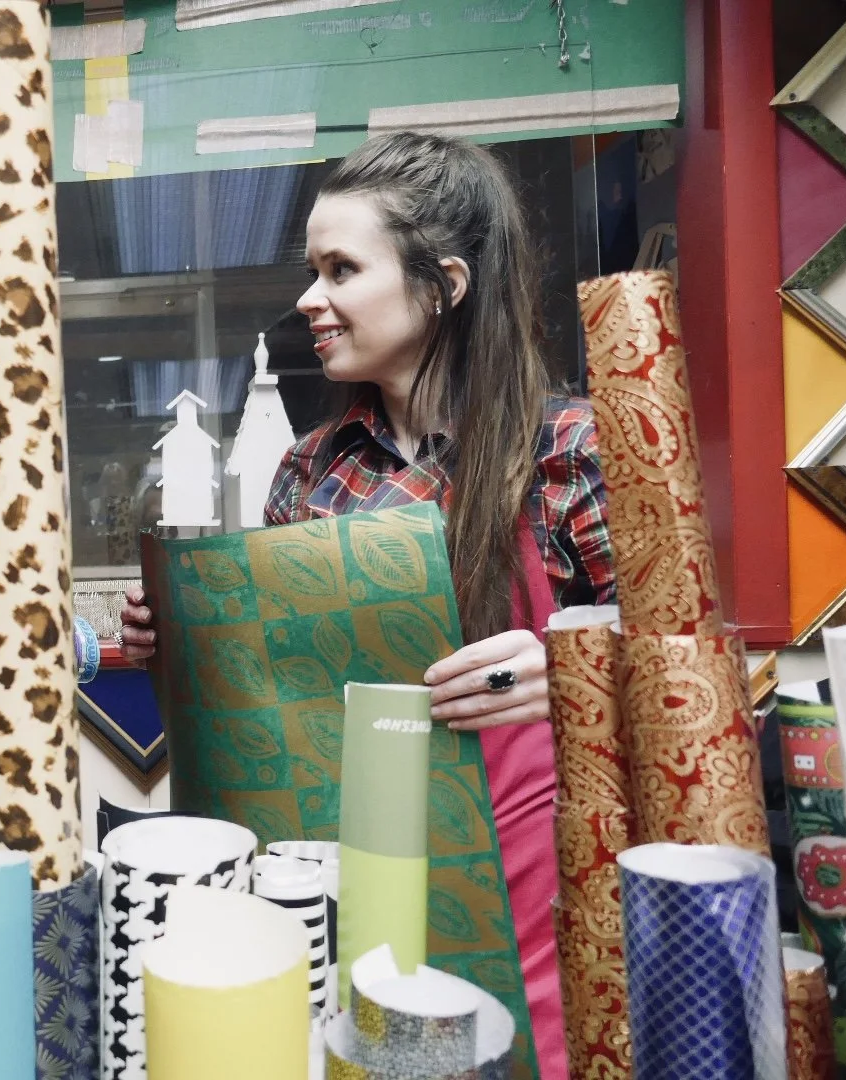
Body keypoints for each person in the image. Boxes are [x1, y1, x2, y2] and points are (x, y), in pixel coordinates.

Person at [119, 132, 614, 1080]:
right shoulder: (309, 471)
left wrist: (575, 669)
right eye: (313, 269)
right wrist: (183, 643)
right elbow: (279, 691)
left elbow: (689, 677)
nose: (311, 297)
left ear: (444, 284)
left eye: (341, 269)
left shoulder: (569, 450)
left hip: (530, 897)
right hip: (350, 886)